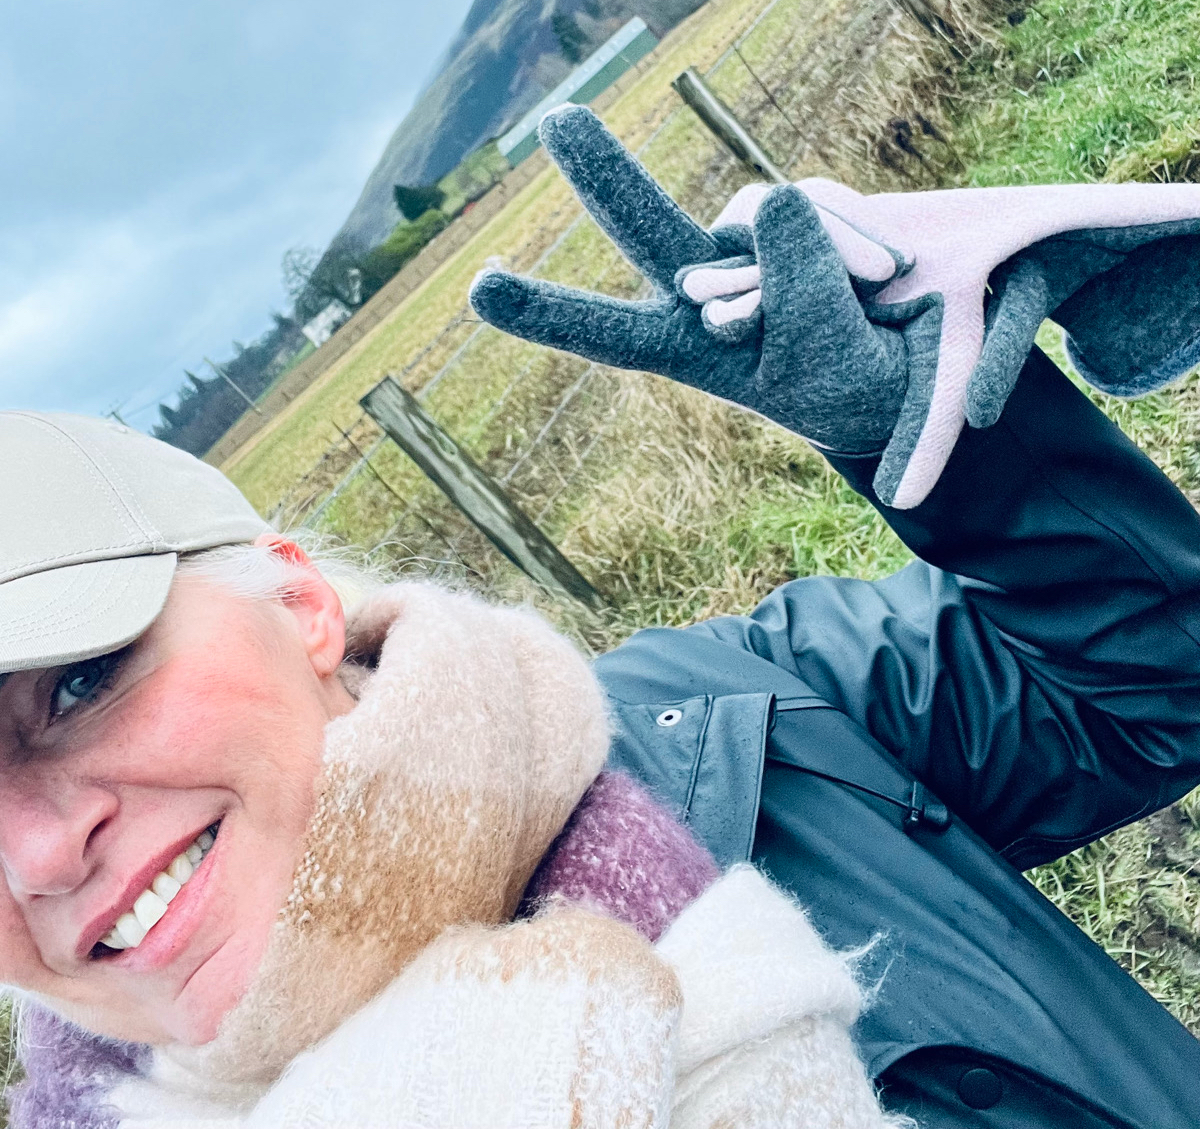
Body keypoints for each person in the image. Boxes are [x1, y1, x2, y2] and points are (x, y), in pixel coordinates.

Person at [8, 102, 1200, 1127]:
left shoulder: (726, 718)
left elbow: (1145, 689)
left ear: (300, 601)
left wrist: (944, 451)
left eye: (80, 680)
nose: (39, 853)